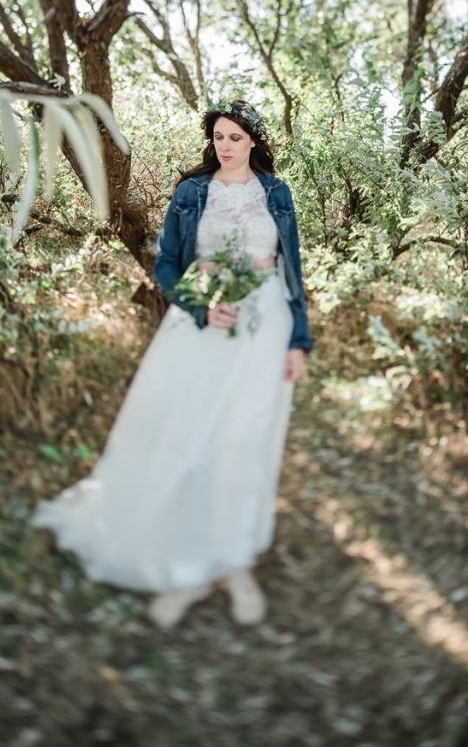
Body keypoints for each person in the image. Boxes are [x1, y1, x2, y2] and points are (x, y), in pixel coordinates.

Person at [33, 99, 312, 629]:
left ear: (253, 140)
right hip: (202, 325)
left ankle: (233, 560)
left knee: (246, 439)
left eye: (235, 137)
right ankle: (183, 558)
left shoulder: (277, 194)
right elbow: (166, 266)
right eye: (219, 137)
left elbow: (291, 268)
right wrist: (201, 304)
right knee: (190, 438)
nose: (226, 146)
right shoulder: (191, 193)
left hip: (264, 329)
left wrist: (297, 339)